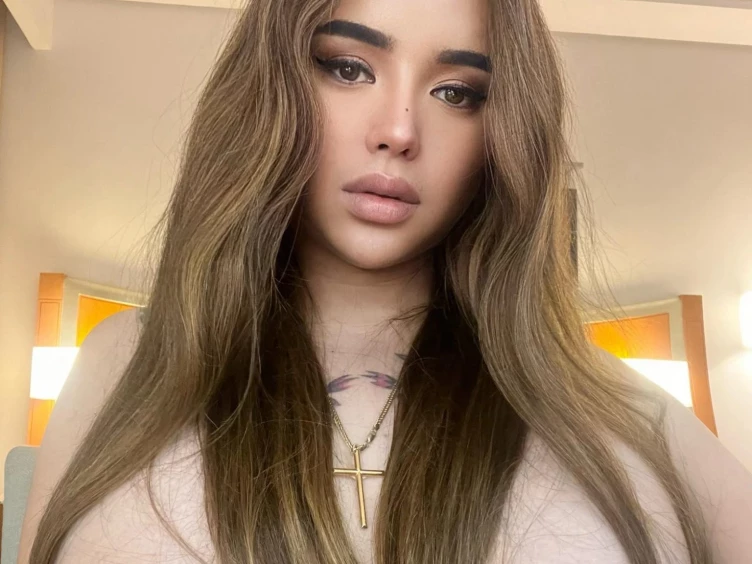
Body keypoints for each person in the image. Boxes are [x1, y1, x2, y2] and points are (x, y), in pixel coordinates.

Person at [17, 0, 752, 562]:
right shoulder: (123, 360)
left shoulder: (622, 408)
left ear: (501, 134)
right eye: (348, 68)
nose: (399, 130)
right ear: (271, 86)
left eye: (458, 92)